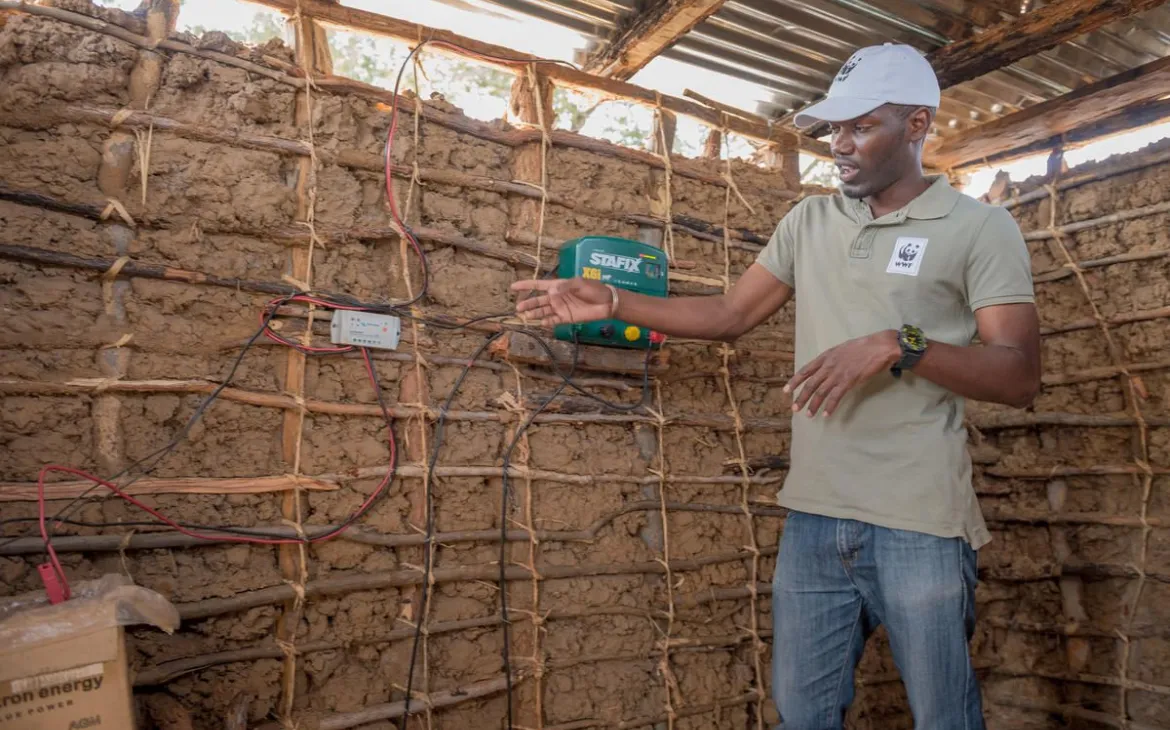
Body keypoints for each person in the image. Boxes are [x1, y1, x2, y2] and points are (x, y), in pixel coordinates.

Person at [510, 43, 1040, 729]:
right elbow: (731, 314)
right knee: (802, 713)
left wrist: (898, 345)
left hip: (921, 522)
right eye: (833, 129)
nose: (840, 145)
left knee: (944, 716)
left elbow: (1019, 374)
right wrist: (613, 301)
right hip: (815, 519)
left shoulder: (979, 229)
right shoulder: (809, 222)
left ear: (917, 124)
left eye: (862, 126)